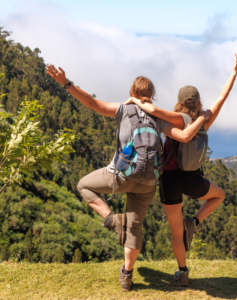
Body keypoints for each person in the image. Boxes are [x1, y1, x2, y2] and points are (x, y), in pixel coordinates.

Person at [46, 66, 211, 292]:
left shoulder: (122, 109)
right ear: (151, 95)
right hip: (148, 182)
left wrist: (66, 83)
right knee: (134, 227)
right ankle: (126, 275)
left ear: (132, 91)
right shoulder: (158, 116)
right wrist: (201, 118)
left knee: (83, 185)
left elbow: (92, 104)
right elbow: (183, 135)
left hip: (121, 176)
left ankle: (112, 220)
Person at [126, 50, 237, 286]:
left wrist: (136, 99)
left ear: (179, 102)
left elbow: (155, 112)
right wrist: (234, 71)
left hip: (169, 180)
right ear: (198, 101)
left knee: (176, 231)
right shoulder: (204, 120)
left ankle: (183, 273)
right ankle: (195, 222)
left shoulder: (176, 119)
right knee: (219, 195)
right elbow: (223, 96)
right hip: (193, 179)